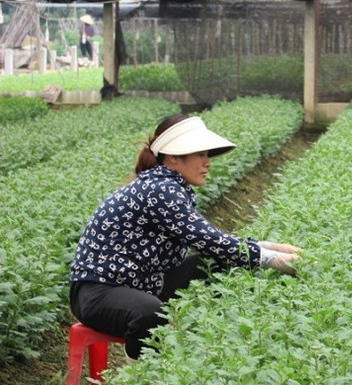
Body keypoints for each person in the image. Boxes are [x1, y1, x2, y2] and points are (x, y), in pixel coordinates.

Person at [69, 114, 302, 359]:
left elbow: (213, 242)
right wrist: (273, 259)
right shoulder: (160, 189)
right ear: (173, 158)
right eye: (200, 154)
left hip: (142, 282)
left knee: (213, 264)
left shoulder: (171, 186)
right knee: (151, 313)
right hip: (99, 292)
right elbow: (211, 241)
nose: (207, 162)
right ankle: (144, 374)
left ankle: (209, 336)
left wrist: (270, 249)